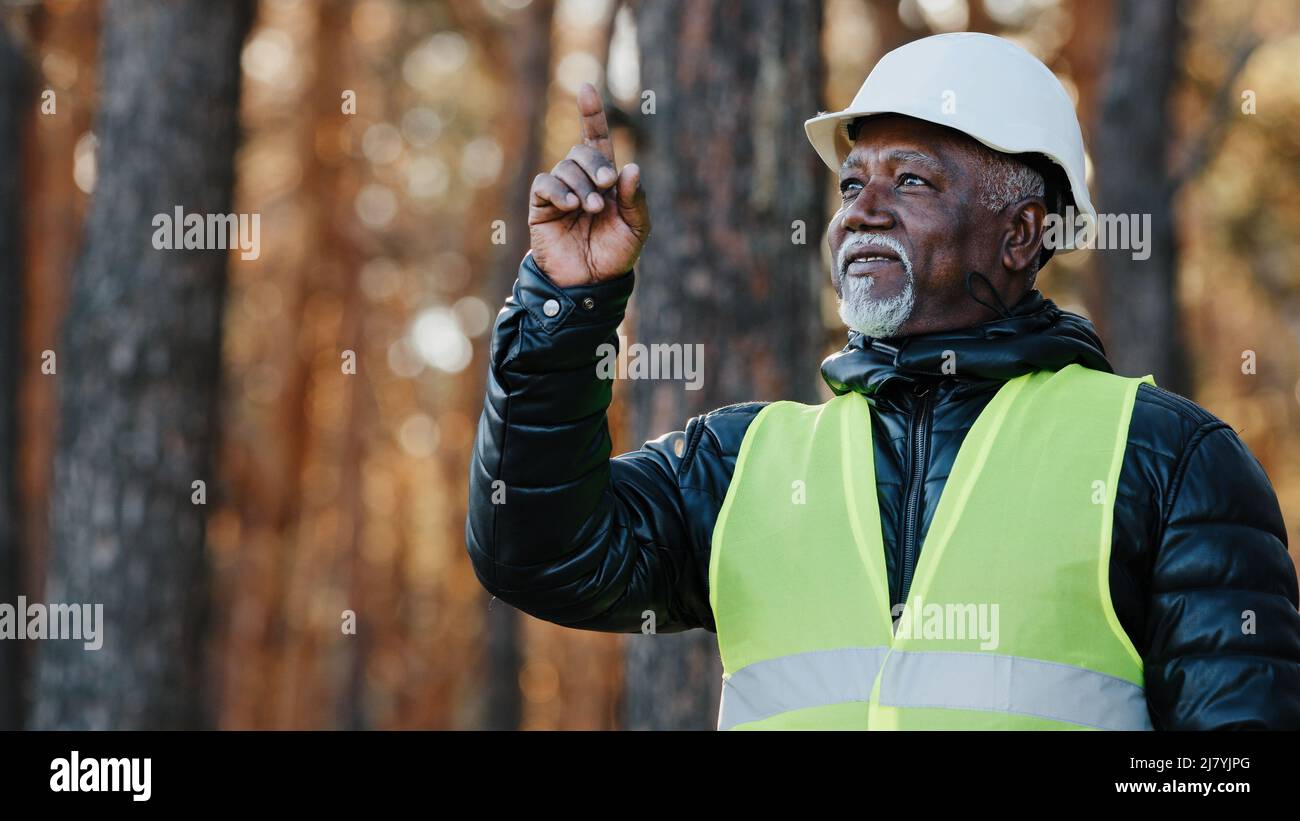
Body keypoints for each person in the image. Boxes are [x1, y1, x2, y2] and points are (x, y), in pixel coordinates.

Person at [466, 33, 1300, 729]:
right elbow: (534, 551)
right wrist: (562, 306)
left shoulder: (1168, 461)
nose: (861, 210)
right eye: (852, 182)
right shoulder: (741, 464)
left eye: (910, 181)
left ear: (1020, 235)